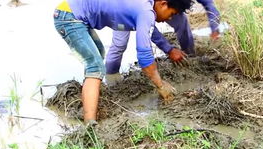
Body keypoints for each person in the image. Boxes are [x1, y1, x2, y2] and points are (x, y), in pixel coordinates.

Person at [53, 0, 193, 124]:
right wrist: (161, 85)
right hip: (70, 18)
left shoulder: (145, 6)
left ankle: (93, 95)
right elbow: (144, 56)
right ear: (163, 3)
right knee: (95, 67)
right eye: (171, 13)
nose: (169, 18)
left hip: (71, 12)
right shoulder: (146, 11)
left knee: (99, 53)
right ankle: (90, 123)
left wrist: (169, 49)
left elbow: (150, 31)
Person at [105, 0, 220, 74]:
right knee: (119, 44)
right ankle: (111, 77)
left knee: (182, 20)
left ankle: (188, 57)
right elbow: (148, 26)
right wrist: (169, 49)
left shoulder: (170, 5)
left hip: (166, 4)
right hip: (126, 9)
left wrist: (215, 28)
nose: (169, 18)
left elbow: (209, 3)